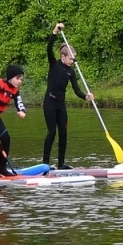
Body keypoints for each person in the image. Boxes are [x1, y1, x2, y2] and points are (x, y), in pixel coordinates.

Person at [42, 22, 92, 168]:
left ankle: (61, 163)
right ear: (63, 56)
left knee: (63, 134)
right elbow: (49, 48)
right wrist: (55, 31)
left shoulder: (71, 71)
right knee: (52, 132)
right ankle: (45, 163)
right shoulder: (54, 64)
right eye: (70, 58)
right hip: (49, 103)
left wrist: (86, 97)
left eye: (74, 59)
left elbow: (76, 90)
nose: (72, 61)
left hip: (60, 105)